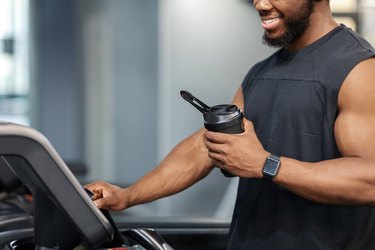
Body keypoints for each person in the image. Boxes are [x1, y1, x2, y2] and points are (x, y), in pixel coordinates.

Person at [86, 0, 375, 248]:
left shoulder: (357, 68)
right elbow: (207, 146)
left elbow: (370, 180)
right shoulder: (261, 73)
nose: (259, 4)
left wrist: (266, 164)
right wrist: (128, 195)